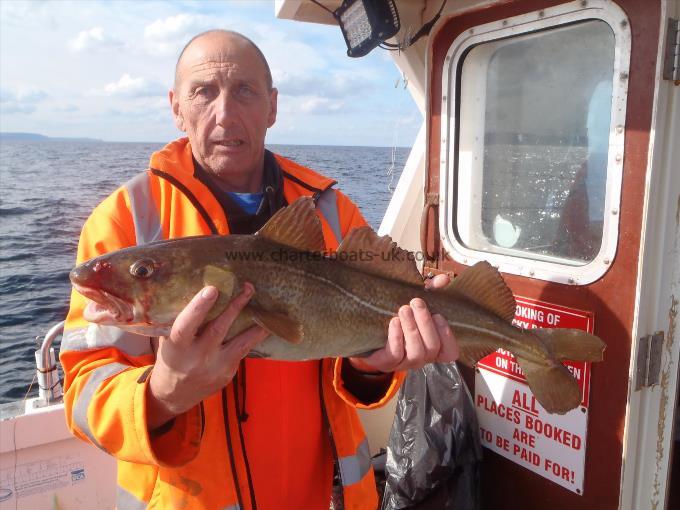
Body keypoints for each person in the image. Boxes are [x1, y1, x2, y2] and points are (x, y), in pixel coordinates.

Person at [61, 30, 459, 510]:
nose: (225, 114)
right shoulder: (126, 219)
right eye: (203, 91)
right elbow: (84, 390)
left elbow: (359, 351)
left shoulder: (331, 212)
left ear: (272, 107)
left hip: (320, 497)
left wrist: (371, 366)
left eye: (245, 91)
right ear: (176, 106)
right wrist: (163, 394)